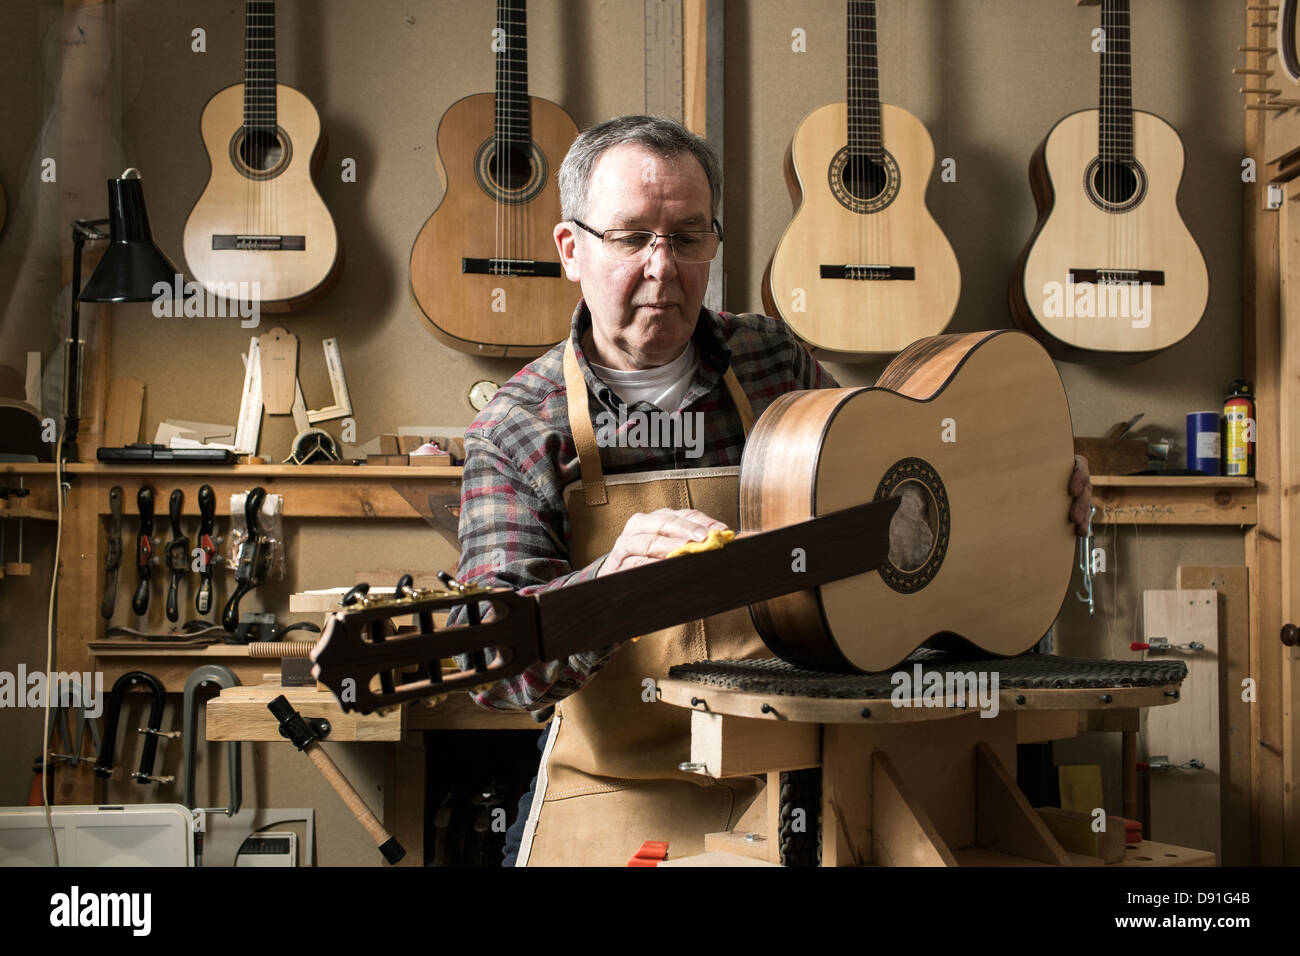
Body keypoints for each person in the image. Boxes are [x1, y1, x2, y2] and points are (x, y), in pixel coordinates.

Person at [453, 115, 1092, 867]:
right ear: (572, 249)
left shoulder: (770, 360)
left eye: (688, 237)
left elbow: (897, 495)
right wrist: (610, 591)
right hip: (625, 788)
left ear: (713, 243)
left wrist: (1025, 498)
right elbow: (496, 676)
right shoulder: (519, 428)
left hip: (807, 772)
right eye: (631, 238)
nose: (663, 269)